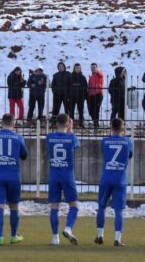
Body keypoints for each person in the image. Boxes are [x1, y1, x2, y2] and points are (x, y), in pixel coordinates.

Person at [0, 114, 28, 246]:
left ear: (1, 123)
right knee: (14, 206)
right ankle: (13, 236)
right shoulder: (18, 137)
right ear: (13, 123)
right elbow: (24, 155)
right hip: (13, 176)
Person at [95, 118, 133, 247]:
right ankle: (117, 238)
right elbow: (130, 155)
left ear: (111, 127)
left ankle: (100, 235)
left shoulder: (105, 141)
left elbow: (104, 154)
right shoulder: (128, 142)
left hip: (106, 177)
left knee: (101, 207)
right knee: (118, 210)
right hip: (120, 179)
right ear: (122, 128)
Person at [46, 114, 80, 246]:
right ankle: (68, 228)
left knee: (54, 206)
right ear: (68, 124)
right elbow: (76, 145)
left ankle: (55, 238)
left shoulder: (49, 137)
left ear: (56, 124)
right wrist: (70, 130)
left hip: (54, 175)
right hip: (67, 176)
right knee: (74, 205)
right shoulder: (72, 137)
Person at [87, 63, 105, 129]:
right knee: (90, 111)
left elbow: (101, 75)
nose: (93, 68)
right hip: (91, 95)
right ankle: (95, 122)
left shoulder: (99, 74)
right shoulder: (91, 76)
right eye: (92, 67)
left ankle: (96, 125)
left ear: (97, 68)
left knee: (96, 110)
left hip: (98, 95)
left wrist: (97, 71)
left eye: (94, 67)